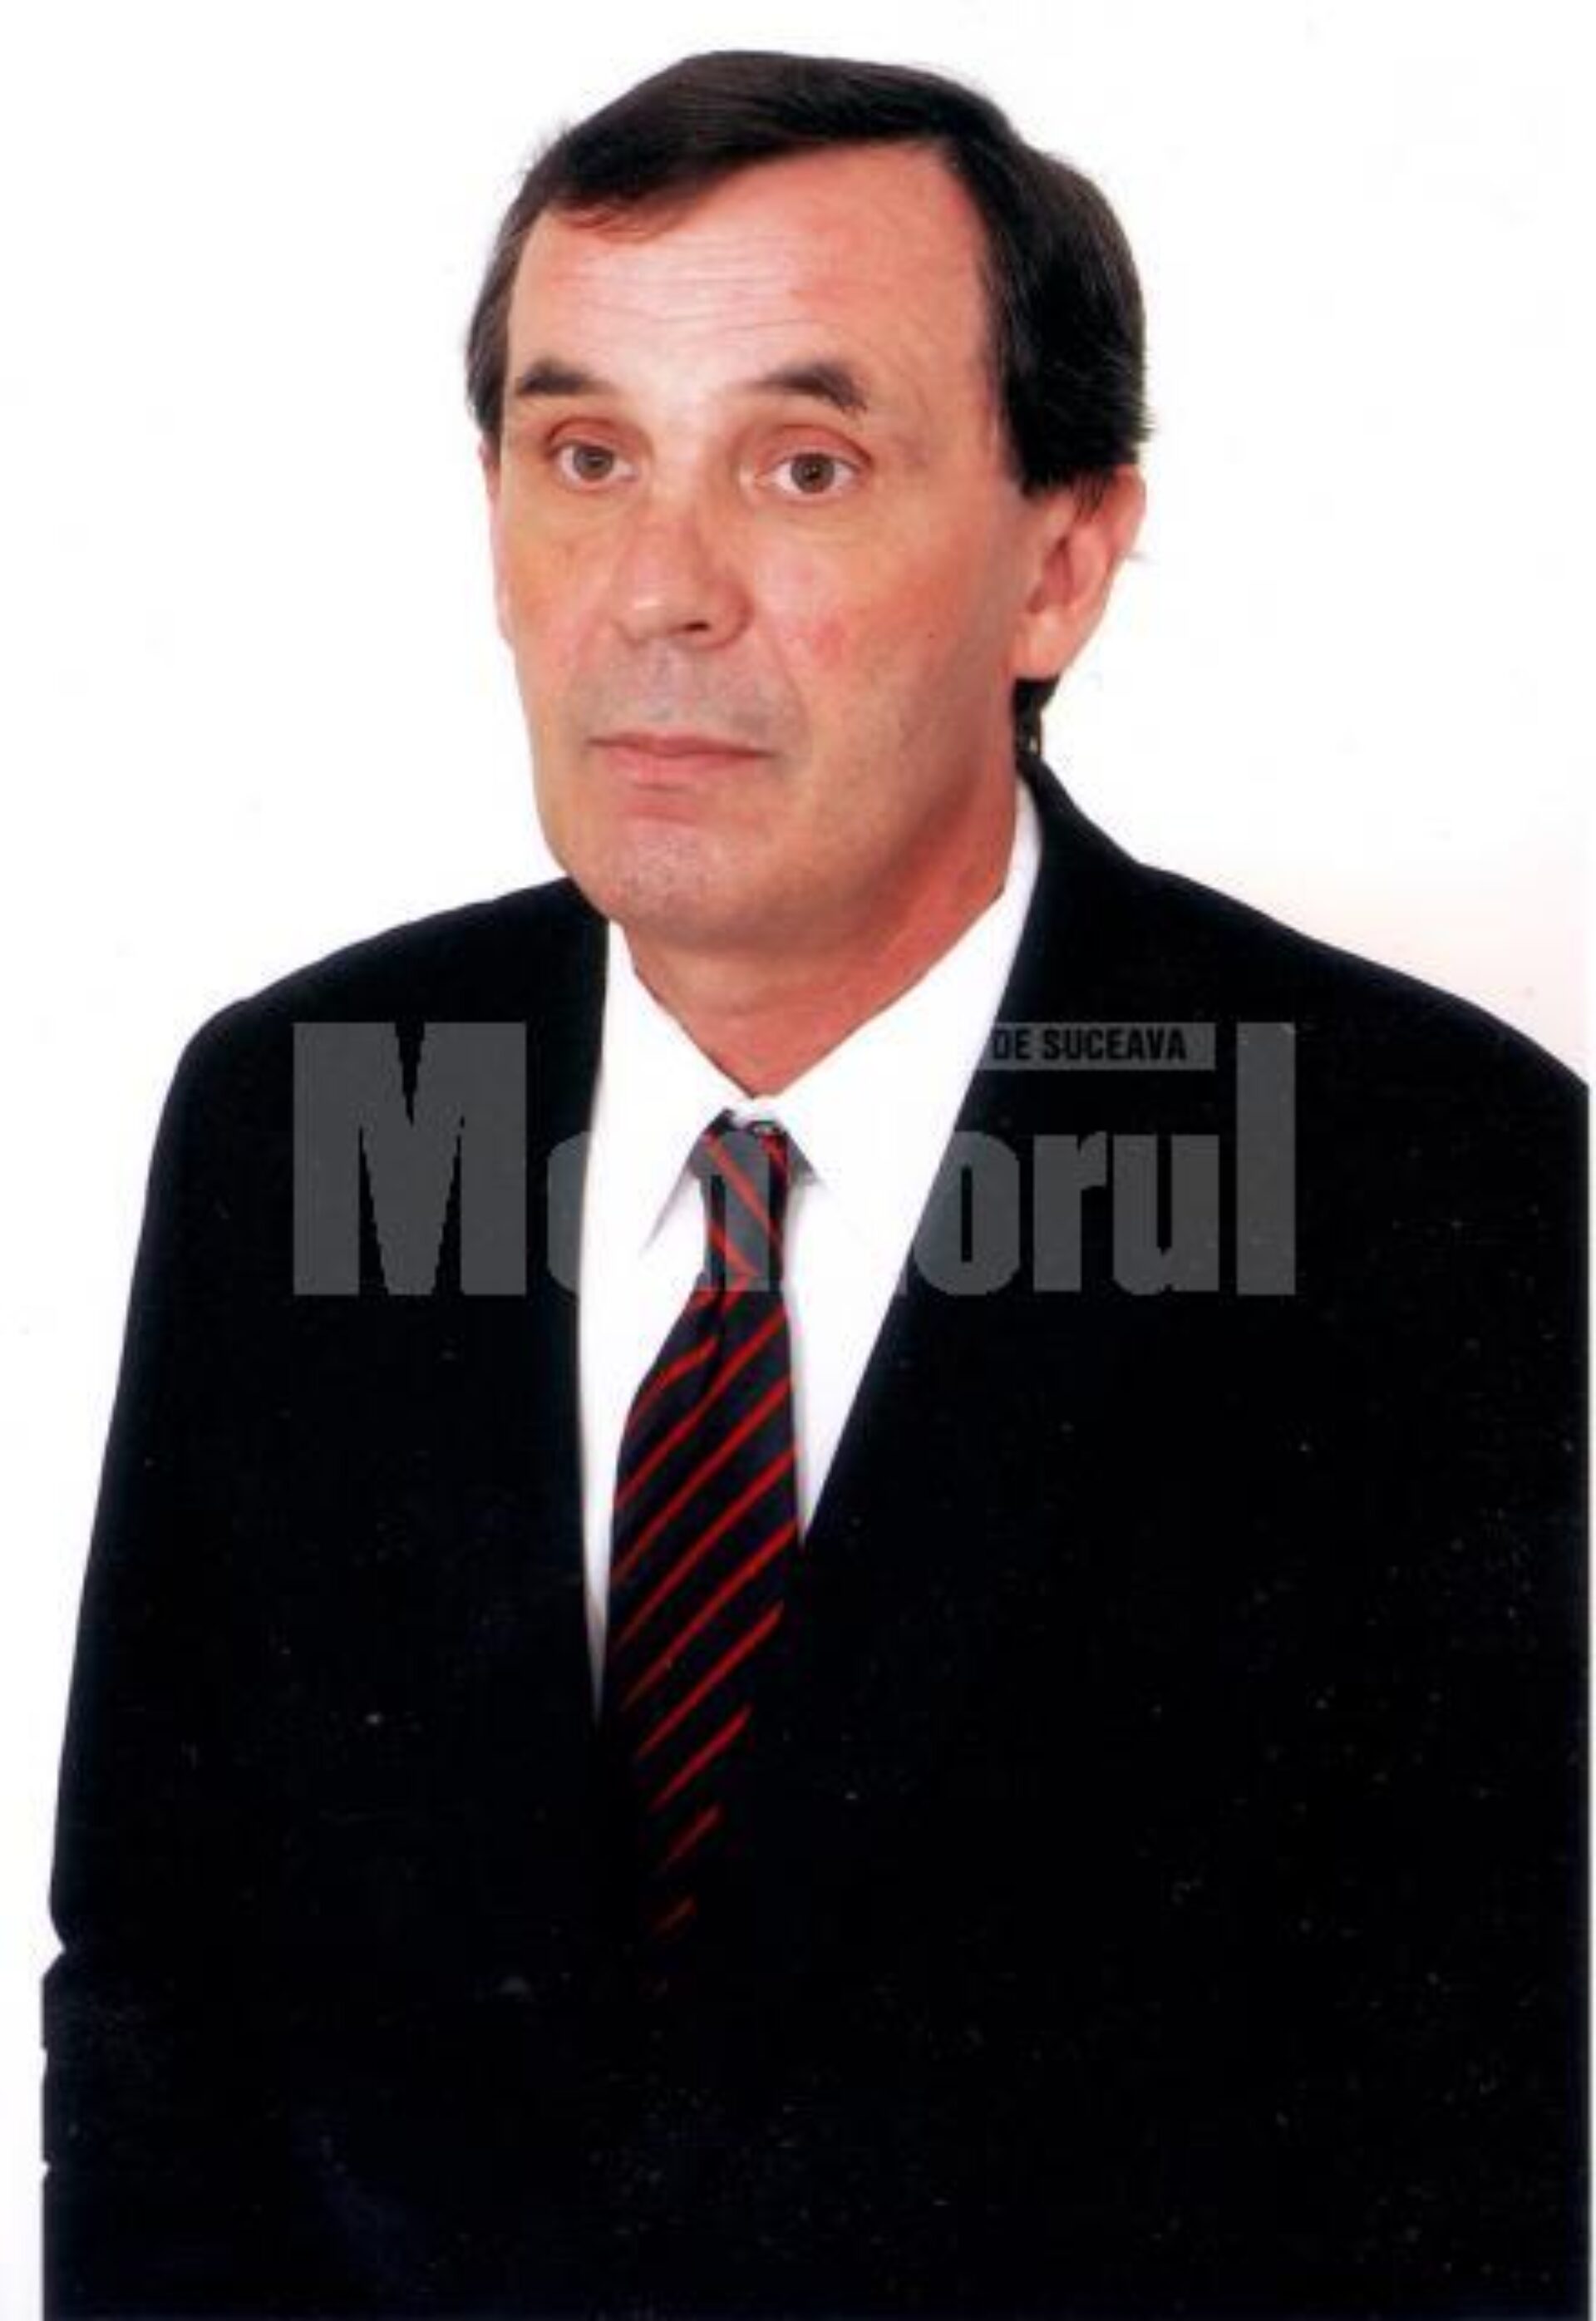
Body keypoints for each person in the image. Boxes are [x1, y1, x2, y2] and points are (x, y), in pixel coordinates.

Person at [43, 49, 1583, 2321]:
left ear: (1061, 562)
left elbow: (1484, 2151)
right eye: (586, 458)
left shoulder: (1428, 1182)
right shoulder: (316, 1105)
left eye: (804, 465)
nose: (657, 593)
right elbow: (159, 2003)